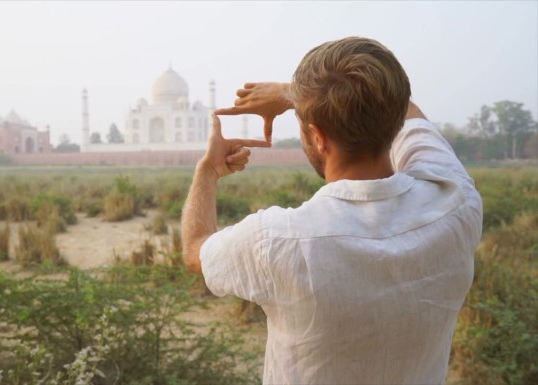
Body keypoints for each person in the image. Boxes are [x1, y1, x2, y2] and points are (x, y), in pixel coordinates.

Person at [181, 37, 483, 384]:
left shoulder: (277, 241)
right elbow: (410, 115)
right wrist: (294, 93)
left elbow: (195, 249)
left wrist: (208, 170)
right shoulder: (455, 201)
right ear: (394, 123)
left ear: (318, 137)